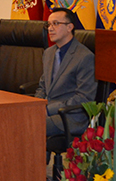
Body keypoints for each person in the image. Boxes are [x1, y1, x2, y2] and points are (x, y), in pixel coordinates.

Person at [35, 8, 97, 137]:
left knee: (31, 125)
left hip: (70, 116)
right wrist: (36, 106)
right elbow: (43, 86)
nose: (50, 28)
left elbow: (84, 98)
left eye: (56, 24)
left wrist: (47, 109)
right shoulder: (49, 53)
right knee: (18, 119)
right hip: (48, 111)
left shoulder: (84, 57)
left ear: (70, 27)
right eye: (49, 24)